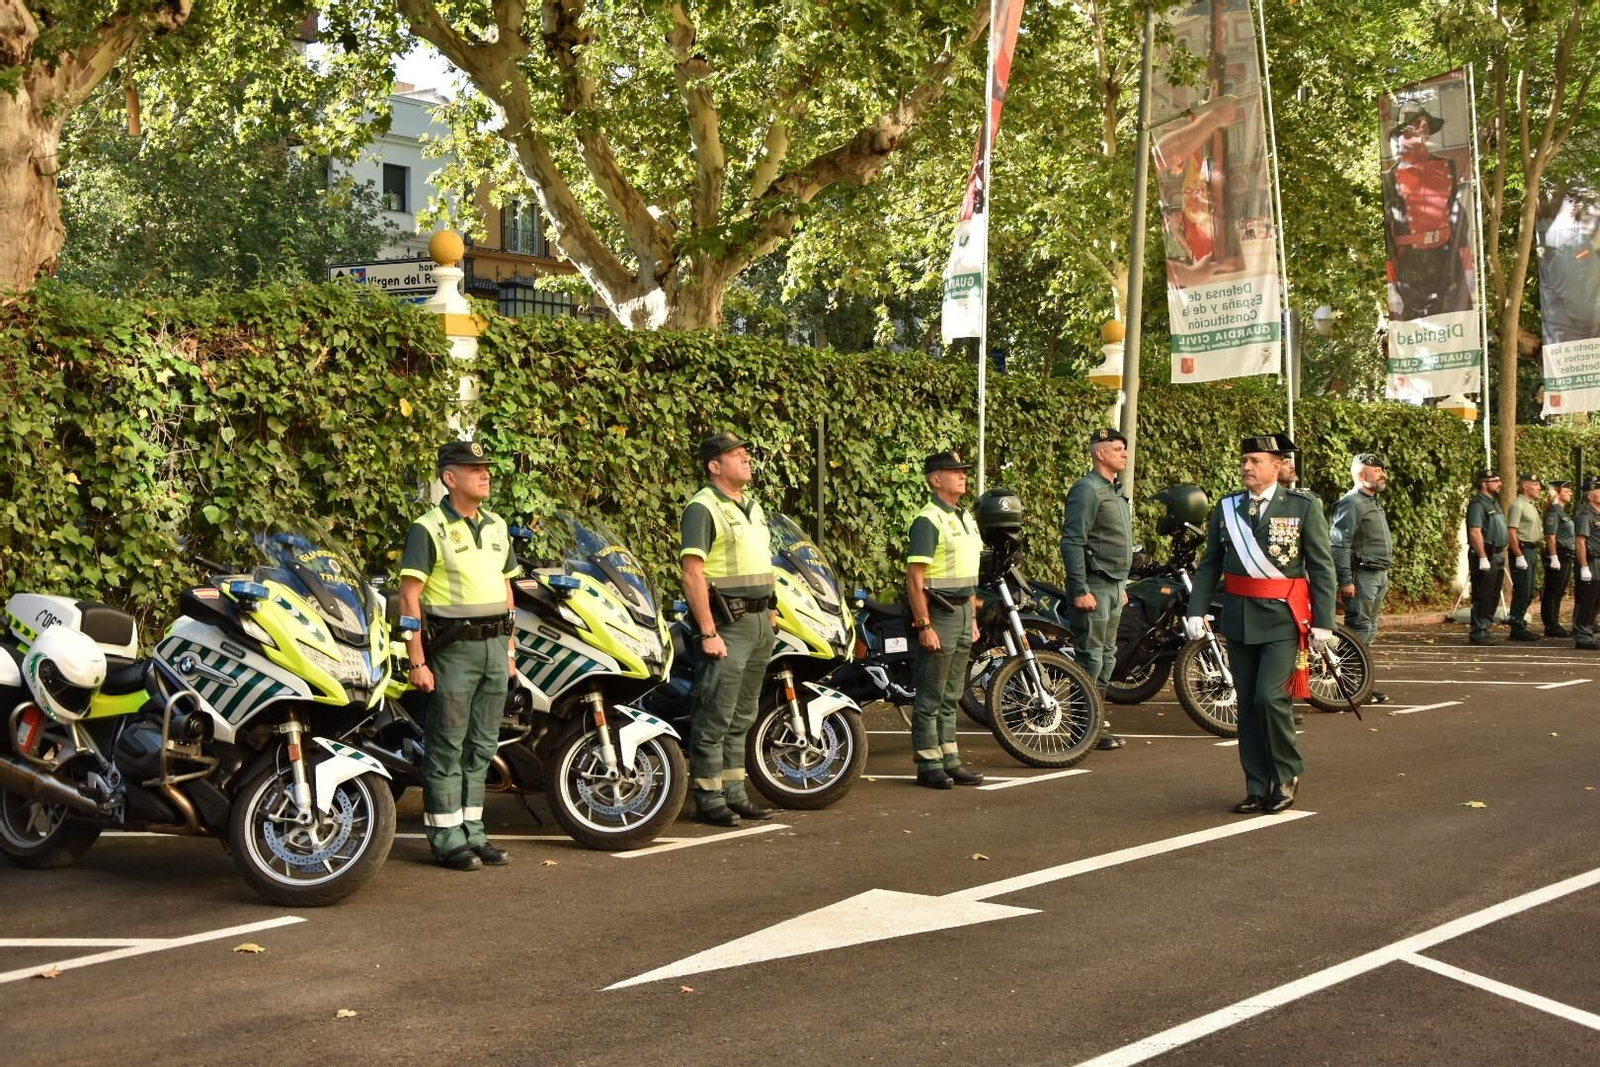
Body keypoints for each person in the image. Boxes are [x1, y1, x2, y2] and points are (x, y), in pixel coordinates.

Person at [1185, 434, 1336, 814]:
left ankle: (1285, 774)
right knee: (1248, 706)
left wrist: (1325, 621)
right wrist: (1195, 609)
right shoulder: (1227, 508)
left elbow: (1320, 566)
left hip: (1282, 620)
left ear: (1277, 466)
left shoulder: (1302, 507)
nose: (1247, 467)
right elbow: (1210, 564)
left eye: (1255, 461)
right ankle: (1256, 785)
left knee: (1270, 698)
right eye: (1245, 461)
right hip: (1238, 618)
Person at [398, 440, 519, 872]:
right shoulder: (428, 528)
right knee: (447, 745)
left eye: (486, 466)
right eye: (474, 468)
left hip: (492, 649)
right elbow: (409, 598)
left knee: (483, 746)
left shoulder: (497, 526)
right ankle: (446, 838)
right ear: (450, 478)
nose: (485, 474)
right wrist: (417, 660)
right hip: (452, 651)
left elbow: (507, 589)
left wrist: (509, 648)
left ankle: (474, 832)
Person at [680, 432, 778, 826]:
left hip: (757, 623)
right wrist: (707, 631)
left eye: (746, 453)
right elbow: (693, 573)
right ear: (714, 466)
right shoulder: (703, 508)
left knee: (743, 714)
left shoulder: (752, 507)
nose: (746, 459)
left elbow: (764, 564)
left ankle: (734, 791)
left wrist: (771, 610)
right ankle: (708, 796)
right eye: (737, 455)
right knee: (715, 713)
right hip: (727, 623)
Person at [905, 450, 985, 789]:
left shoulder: (964, 517)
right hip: (940, 613)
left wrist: (973, 618)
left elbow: (967, 573)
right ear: (935, 480)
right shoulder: (928, 520)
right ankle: (928, 763)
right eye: (953, 472)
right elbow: (914, 577)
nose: (962, 476)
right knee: (931, 694)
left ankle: (949, 759)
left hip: (963, 613)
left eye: (962, 471)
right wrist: (924, 625)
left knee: (952, 694)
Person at [1060, 428, 1133, 750]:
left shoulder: (1114, 490)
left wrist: (1122, 584)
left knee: (1106, 656)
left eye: (1124, 449)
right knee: (1091, 656)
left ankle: (1095, 719)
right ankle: (1083, 724)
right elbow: (1073, 541)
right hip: (1095, 585)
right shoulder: (1087, 490)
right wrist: (1080, 588)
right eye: (1117, 449)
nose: (1124, 454)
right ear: (1099, 453)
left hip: (1113, 585)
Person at [1383, 107, 1474, 321]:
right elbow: (1388, 232)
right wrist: (1391, 283)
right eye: (1415, 125)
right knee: (1418, 329)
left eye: (1425, 125)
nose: (1422, 129)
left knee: (1459, 324)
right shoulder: (1391, 178)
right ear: (1402, 134)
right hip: (1412, 264)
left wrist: (1468, 268)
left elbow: (1458, 216)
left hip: (1447, 258)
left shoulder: (1447, 166)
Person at [1330, 453, 1392, 704]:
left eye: (1382, 470)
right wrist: (1345, 579)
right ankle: (1349, 687)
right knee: (1359, 629)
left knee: (1369, 627)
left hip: (1378, 573)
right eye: (1376, 471)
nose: (1382, 474)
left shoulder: (1372, 501)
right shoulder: (1352, 503)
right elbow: (1338, 543)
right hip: (1362, 574)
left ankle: (1359, 685)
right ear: (1360, 475)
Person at [1465, 469, 1508, 645]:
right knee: (1482, 593)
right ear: (1484, 484)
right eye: (1495, 481)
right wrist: (1482, 557)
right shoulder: (1478, 504)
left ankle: (1485, 626)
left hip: (1497, 554)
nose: (1499, 483)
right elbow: (1475, 532)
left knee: (1492, 593)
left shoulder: (1493, 502)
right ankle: (1478, 631)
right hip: (1486, 554)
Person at [1505, 473, 1544, 641]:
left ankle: (1519, 624)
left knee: (1528, 592)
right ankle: (1517, 628)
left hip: (1532, 550)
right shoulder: (1518, 505)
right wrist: (1519, 555)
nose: (1539, 488)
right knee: (1522, 590)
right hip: (1523, 550)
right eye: (1535, 484)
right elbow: (1511, 532)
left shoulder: (1531, 505)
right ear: (1525, 486)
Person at [1542, 480, 1576, 638]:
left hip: (1566, 555)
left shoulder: (1562, 511)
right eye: (1566, 491)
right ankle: (1550, 624)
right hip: (1559, 555)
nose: (1570, 493)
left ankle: (1554, 622)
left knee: (1559, 591)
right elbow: (1550, 536)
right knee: (1553, 591)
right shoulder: (1554, 512)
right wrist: (1554, 557)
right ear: (1557, 492)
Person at [1573, 477, 1600, 652]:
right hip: (1591, 562)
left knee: (1596, 600)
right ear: (1590, 496)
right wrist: (1583, 566)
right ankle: (1583, 635)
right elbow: (1580, 542)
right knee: (1587, 600)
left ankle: (1589, 631)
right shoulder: (1585, 515)